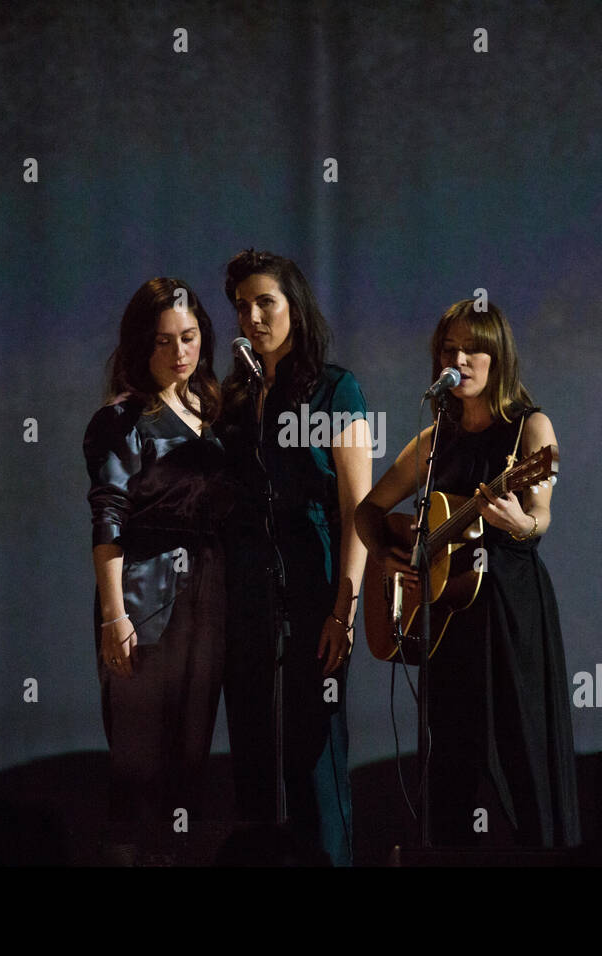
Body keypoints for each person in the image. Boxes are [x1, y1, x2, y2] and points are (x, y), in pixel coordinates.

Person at [354, 298, 582, 849]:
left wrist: (520, 521)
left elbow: (540, 517)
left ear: (497, 356)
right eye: (448, 349)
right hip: (448, 623)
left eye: (472, 348)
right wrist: (389, 556)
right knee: (449, 754)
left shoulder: (530, 428)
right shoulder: (434, 441)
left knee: (520, 747)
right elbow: (368, 510)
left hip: (509, 612)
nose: (458, 358)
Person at [217, 250, 371, 866]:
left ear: (294, 308)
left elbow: (359, 507)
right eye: (242, 307)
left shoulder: (337, 388)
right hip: (246, 598)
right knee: (254, 762)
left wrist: (346, 610)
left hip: (316, 594)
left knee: (315, 763)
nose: (252, 316)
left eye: (265, 302)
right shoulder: (238, 399)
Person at [82, 277, 230, 862]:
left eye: (189, 337)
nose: (179, 353)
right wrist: (115, 616)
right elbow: (108, 519)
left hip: (209, 597)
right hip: (143, 595)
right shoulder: (120, 420)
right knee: (138, 766)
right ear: (141, 346)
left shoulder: (215, 412)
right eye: (164, 341)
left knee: (190, 763)